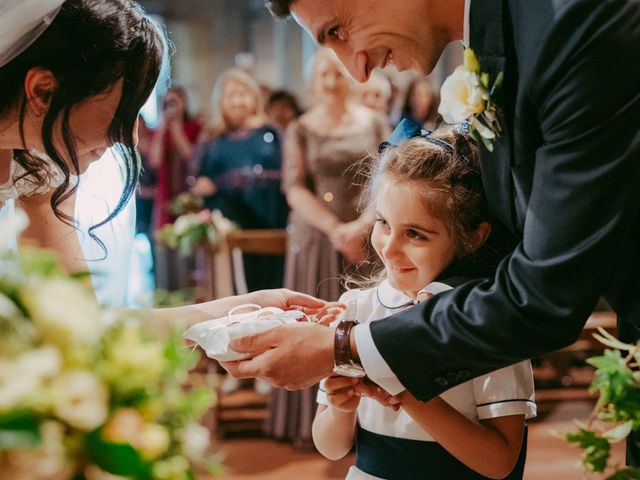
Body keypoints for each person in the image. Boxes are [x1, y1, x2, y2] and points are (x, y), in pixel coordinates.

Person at [224, 0, 640, 464]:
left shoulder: (571, 24)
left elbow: (546, 288)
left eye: (339, 30)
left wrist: (347, 347)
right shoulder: (506, 39)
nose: (356, 70)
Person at [0, 1, 325, 328]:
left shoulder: (40, 170)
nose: (132, 139)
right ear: (42, 91)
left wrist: (241, 311)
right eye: (122, 114)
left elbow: (80, 325)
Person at [313, 122, 535, 479]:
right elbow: (330, 445)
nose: (389, 247)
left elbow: (500, 462)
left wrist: (408, 393)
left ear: (473, 236)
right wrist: (341, 408)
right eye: (384, 223)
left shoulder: (489, 325)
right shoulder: (355, 311)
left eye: (415, 233)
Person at [264, 47, 389, 448]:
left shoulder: (372, 121)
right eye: (324, 76)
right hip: (318, 234)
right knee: (319, 318)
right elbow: (295, 186)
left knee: (368, 317)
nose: (333, 82)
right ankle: (316, 423)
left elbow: (390, 177)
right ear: (314, 82)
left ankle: (375, 413)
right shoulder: (301, 127)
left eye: (338, 74)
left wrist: (362, 226)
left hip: (369, 229)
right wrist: (336, 228)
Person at [192, 68, 288, 292]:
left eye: (243, 94)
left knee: (270, 282)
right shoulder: (212, 138)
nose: (238, 101)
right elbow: (199, 180)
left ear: (254, 98)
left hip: (270, 219)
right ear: (221, 101)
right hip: (230, 227)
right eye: (231, 95)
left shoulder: (271, 132)